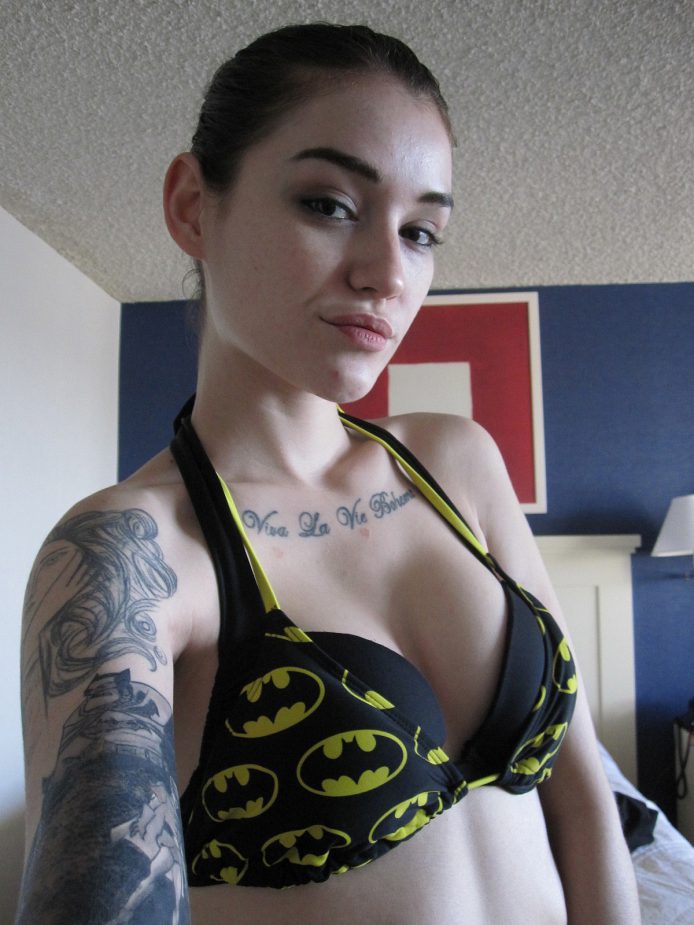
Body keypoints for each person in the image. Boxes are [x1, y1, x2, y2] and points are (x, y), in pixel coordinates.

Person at [16, 22, 641, 925]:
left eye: (421, 231)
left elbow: (581, 795)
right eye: (330, 204)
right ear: (193, 207)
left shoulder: (456, 462)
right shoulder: (131, 554)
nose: (388, 274)